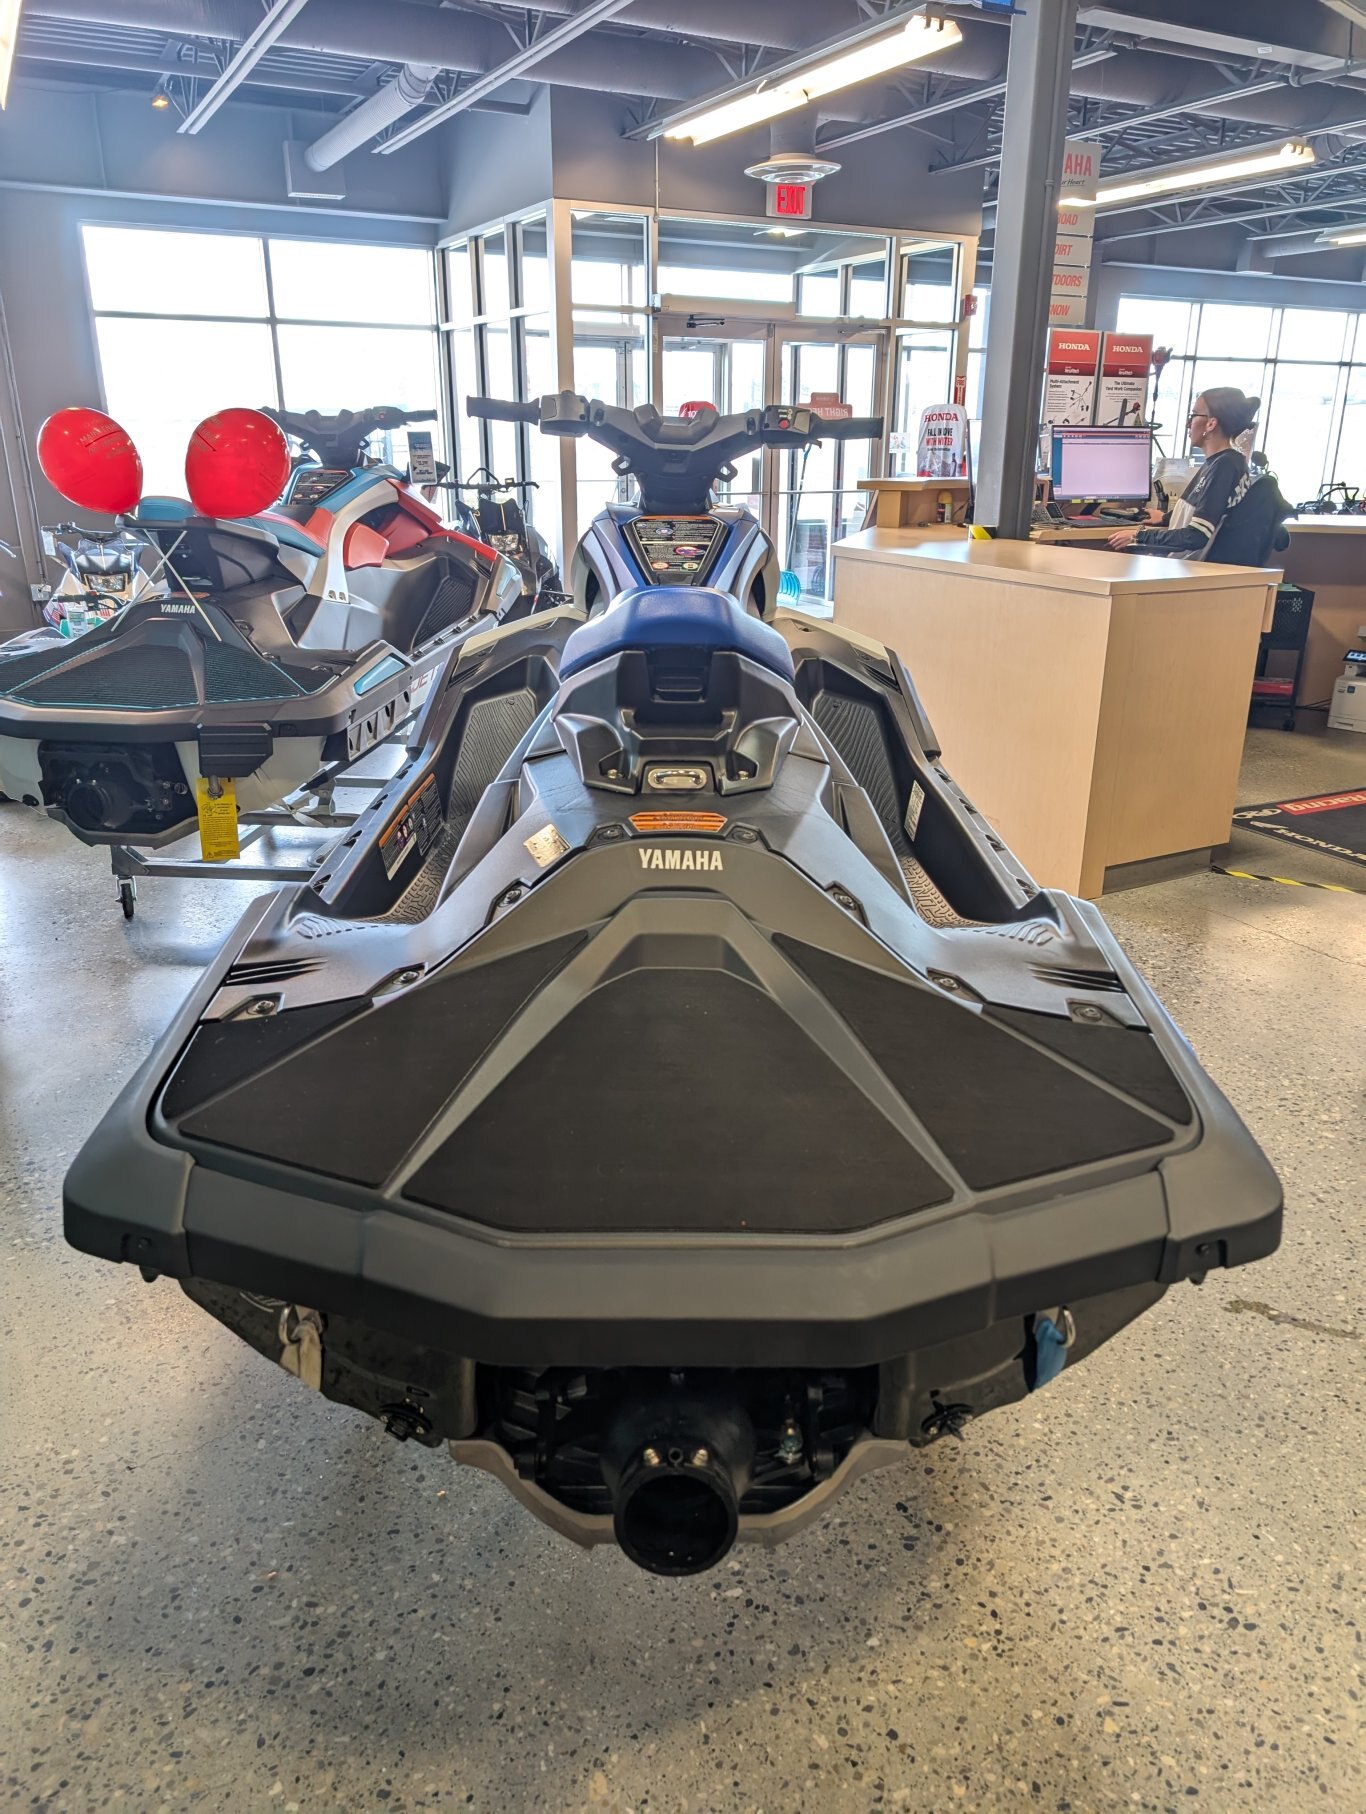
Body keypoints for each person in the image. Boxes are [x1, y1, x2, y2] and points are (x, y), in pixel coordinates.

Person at [1108, 387, 1259, 557]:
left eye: (1193, 415)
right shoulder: (1221, 462)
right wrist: (1165, 518)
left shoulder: (1224, 466)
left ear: (1211, 424)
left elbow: (1196, 536)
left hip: (1188, 566)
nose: (1188, 424)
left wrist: (1139, 536)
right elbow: (1205, 511)